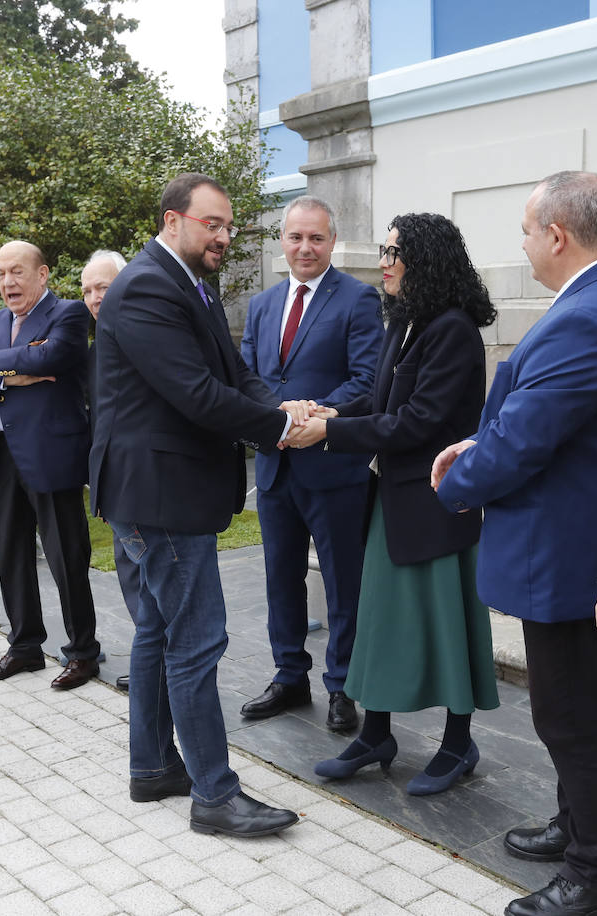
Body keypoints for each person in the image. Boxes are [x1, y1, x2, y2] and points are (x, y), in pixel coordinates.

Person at [432, 171, 597, 916]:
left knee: (573, 717)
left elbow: (527, 442)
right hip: (575, 551)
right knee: (575, 709)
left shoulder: (587, 317)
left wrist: (455, 481)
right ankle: (575, 828)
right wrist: (480, 441)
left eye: (529, 233)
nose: (525, 246)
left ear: (558, 236)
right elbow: (547, 421)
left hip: (565, 558)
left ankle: (595, 878)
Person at [90, 172, 300, 836]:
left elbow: (231, 373)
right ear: (173, 220)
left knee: (158, 630)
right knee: (197, 640)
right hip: (161, 496)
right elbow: (196, 395)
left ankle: (153, 767)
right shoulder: (150, 286)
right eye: (213, 224)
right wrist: (285, 429)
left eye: (230, 226)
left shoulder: (189, 282)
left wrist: (279, 405)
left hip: (163, 489)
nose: (225, 237)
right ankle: (214, 794)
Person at [286, 211, 498, 794]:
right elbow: (381, 401)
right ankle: (376, 734)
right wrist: (334, 412)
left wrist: (330, 434)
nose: (383, 260)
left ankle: (458, 744)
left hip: (436, 502)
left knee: (445, 627)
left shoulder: (451, 329)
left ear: (424, 259)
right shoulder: (403, 320)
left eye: (392, 251)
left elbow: (418, 423)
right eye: (382, 249)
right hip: (396, 499)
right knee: (379, 622)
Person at [239, 195, 382, 733]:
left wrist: (316, 417)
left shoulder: (358, 300)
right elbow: (250, 378)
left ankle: (343, 684)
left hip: (332, 465)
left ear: (332, 240)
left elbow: (367, 380)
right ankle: (289, 676)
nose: (305, 247)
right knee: (281, 575)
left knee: (344, 582)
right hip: (275, 465)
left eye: (316, 238)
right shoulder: (262, 304)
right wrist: (278, 414)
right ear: (282, 240)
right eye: (296, 237)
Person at [0, 240, 100, 690]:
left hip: (50, 453)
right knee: (11, 554)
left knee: (66, 557)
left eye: (16, 272)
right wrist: (15, 374)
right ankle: (25, 648)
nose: (7, 283)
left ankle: (82, 654)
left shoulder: (68, 313)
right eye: (0, 274)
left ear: (43, 274)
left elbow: (53, 356)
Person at [81, 249, 135, 692]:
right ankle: (152, 662)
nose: (95, 298)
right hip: (113, 487)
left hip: (144, 487)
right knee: (132, 578)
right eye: (87, 290)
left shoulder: (140, 339)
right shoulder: (96, 348)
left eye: (103, 286)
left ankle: (161, 667)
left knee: (152, 581)